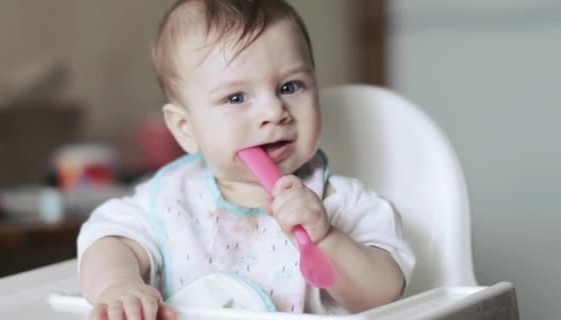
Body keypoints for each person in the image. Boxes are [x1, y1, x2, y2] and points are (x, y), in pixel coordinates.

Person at [77, 1, 415, 319]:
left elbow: (383, 294)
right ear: (186, 128)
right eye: (236, 97)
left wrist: (326, 238)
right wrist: (119, 286)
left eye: (290, 87)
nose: (274, 112)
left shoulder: (341, 203)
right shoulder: (169, 201)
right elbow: (108, 240)